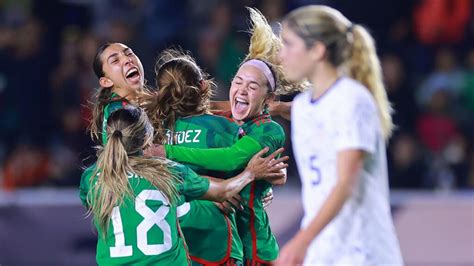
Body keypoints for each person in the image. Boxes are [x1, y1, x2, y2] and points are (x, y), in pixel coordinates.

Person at [149, 8, 304, 264]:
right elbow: (206, 106)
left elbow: (230, 159)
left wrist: (167, 151)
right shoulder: (227, 120)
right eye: (237, 82)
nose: (242, 90)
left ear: (268, 98)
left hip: (255, 247)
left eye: (252, 87)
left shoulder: (269, 130)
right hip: (219, 241)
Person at [79, 106, 287, 265]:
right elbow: (223, 191)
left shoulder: (91, 177)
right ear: (146, 140)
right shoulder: (166, 171)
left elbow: (94, 206)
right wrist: (250, 174)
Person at [276, 5, 403, 265]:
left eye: (288, 44)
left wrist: (301, 240)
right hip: (324, 251)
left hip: (363, 249)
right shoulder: (302, 105)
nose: (281, 55)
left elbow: (347, 182)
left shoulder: (352, 99)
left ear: (318, 50)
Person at [89, 42, 148, 145]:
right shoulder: (118, 112)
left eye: (129, 53)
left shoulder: (153, 101)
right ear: (106, 81)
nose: (127, 59)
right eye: (115, 60)